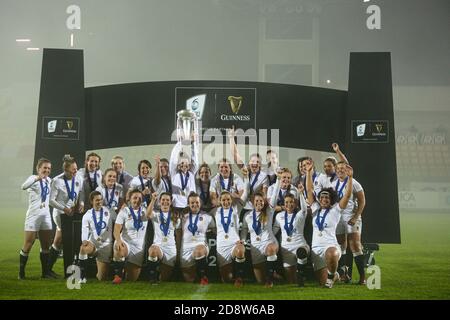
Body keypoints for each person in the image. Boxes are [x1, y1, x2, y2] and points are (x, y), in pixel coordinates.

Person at [305, 160, 354, 288]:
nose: (324, 199)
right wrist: (309, 173)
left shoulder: (335, 210)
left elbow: (347, 196)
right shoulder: (315, 208)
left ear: (331, 199)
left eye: (327, 197)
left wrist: (350, 177)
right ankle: (337, 274)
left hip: (330, 246)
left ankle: (331, 277)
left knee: (331, 254)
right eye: (322, 197)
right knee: (321, 282)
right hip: (316, 249)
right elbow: (309, 190)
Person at [212, 167, 249, 286]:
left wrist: (246, 178)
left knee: (240, 251)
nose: (226, 202)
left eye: (228, 199)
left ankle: (239, 278)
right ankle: (232, 277)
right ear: (220, 201)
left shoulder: (236, 209)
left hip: (234, 243)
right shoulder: (215, 212)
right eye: (223, 200)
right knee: (226, 279)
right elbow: (200, 213)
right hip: (221, 245)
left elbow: (245, 194)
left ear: (231, 200)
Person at [48, 155, 85, 277]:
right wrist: (64, 208)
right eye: (73, 169)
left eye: (76, 168)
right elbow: (51, 200)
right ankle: (69, 273)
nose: (76, 171)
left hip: (72, 214)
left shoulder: (78, 177)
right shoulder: (56, 181)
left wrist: (81, 202)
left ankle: (47, 269)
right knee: (67, 241)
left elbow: (81, 191)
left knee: (59, 240)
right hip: (60, 214)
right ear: (66, 170)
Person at [333, 160, 366, 284]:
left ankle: (363, 277)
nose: (340, 170)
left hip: (351, 216)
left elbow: (362, 201)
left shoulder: (355, 183)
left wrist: (355, 216)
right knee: (341, 246)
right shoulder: (334, 183)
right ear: (336, 171)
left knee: (355, 246)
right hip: (338, 218)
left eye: (343, 168)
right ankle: (345, 275)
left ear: (347, 170)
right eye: (338, 169)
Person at [19, 158, 53, 279]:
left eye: (49, 168)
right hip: (33, 216)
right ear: (38, 169)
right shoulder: (32, 178)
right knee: (29, 243)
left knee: (45, 245)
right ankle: (21, 273)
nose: (47, 170)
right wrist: (37, 178)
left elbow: (50, 199)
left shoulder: (49, 180)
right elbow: (23, 186)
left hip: (46, 216)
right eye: (44, 168)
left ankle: (45, 273)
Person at [272, 176, 309, 286]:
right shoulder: (279, 216)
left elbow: (304, 209)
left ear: (295, 203)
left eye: (292, 202)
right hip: (286, 248)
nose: (289, 204)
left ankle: (302, 275)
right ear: (284, 203)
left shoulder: (299, 215)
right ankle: (295, 277)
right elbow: (274, 230)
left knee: (301, 253)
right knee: (291, 281)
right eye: (287, 202)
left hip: (300, 246)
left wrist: (301, 193)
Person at [240, 192, 278, 287]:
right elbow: (244, 230)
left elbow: (275, 196)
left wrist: (278, 180)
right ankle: (273, 273)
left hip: (269, 243)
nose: (259, 203)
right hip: (256, 247)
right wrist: (243, 240)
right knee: (260, 281)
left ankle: (270, 280)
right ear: (253, 202)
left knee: (270, 250)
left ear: (264, 202)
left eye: (261, 201)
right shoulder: (247, 215)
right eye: (256, 200)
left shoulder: (269, 211)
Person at [112, 189, 149, 283]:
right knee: (120, 248)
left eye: (140, 198)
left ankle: (123, 270)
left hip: (138, 248)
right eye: (135, 198)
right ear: (130, 200)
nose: (137, 200)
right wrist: (119, 241)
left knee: (131, 280)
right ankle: (118, 276)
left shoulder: (146, 211)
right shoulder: (124, 211)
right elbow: (116, 229)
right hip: (126, 242)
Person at [229, 127, 269, 211]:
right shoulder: (246, 170)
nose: (254, 163)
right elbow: (235, 155)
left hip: (256, 205)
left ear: (260, 164)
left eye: (257, 162)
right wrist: (231, 138)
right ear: (249, 163)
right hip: (243, 203)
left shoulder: (264, 176)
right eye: (252, 161)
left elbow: (264, 194)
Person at [145, 192, 181, 283]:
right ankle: (152, 278)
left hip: (171, 249)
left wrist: (178, 250)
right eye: (163, 200)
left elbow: (178, 235)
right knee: (153, 250)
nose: (165, 202)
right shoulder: (156, 215)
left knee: (164, 279)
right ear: (159, 202)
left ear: (171, 202)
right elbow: (147, 214)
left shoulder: (176, 216)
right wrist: (153, 200)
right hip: (158, 246)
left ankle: (158, 274)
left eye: (167, 200)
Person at [180, 192, 216, 285]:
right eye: (192, 202)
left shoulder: (207, 216)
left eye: (197, 202)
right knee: (189, 280)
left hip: (200, 245)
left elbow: (215, 230)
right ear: (188, 204)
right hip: (185, 248)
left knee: (198, 251)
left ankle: (204, 277)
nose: (195, 204)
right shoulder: (183, 216)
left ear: (200, 203)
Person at [78, 191, 114, 283]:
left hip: (106, 246)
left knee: (102, 278)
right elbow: (84, 230)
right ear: (91, 201)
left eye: (101, 199)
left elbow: (119, 222)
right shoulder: (87, 214)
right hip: (93, 243)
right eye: (97, 200)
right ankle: (82, 277)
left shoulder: (109, 211)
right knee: (83, 248)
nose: (99, 202)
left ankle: (98, 273)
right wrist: (84, 240)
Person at [169, 134, 199, 213]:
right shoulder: (174, 174)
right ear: (178, 166)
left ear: (189, 165)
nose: (183, 165)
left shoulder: (192, 174)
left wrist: (193, 143)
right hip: (177, 206)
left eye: (185, 163)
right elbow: (173, 160)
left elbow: (195, 160)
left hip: (190, 205)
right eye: (181, 164)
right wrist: (179, 143)